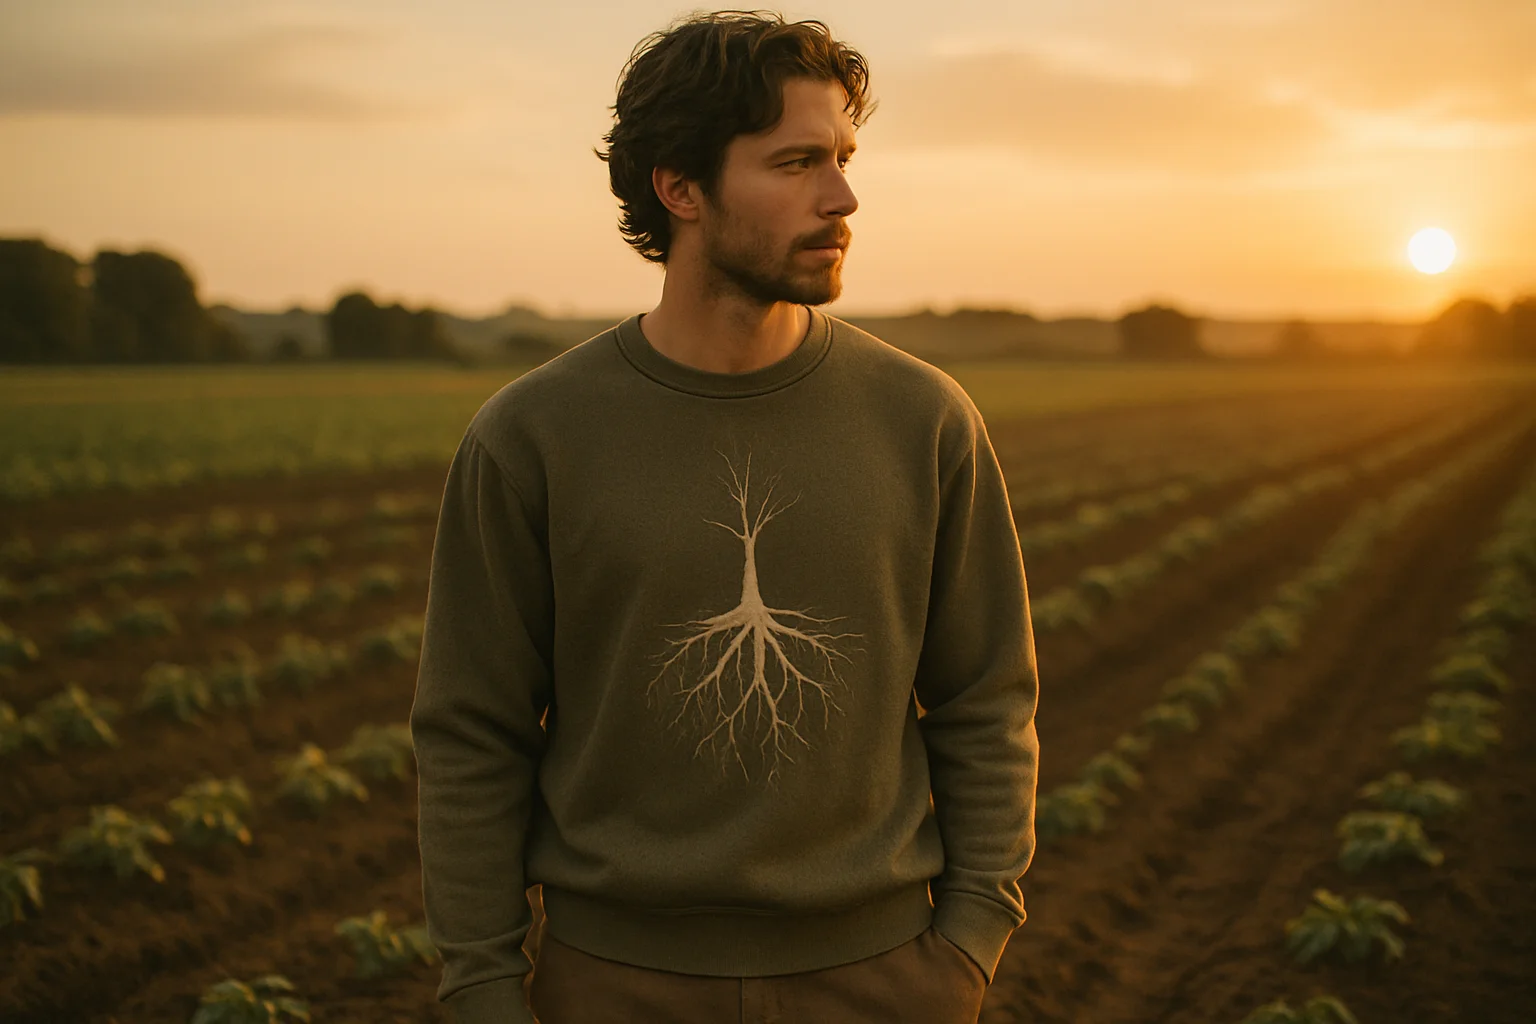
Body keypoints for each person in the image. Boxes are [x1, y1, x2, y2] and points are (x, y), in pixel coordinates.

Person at [410, 10, 1040, 1023]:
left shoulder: (924, 420)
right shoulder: (532, 436)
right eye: (795, 163)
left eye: (842, 157)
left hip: (882, 983)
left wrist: (966, 945)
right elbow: (471, 732)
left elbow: (985, 700)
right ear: (681, 186)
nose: (842, 196)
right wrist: (484, 988)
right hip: (610, 986)